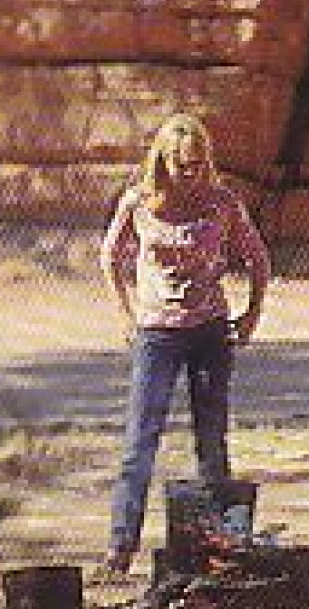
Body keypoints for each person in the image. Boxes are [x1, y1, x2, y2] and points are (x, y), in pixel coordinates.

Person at [99, 112, 272, 573]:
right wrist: (127, 312)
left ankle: (218, 547)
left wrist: (252, 312)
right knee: (141, 440)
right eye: (182, 165)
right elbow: (110, 257)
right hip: (157, 332)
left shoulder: (222, 204)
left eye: (198, 164)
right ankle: (121, 544)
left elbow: (257, 257)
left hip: (210, 330)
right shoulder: (138, 203)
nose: (190, 174)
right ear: (163, 162)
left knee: (211, 439)